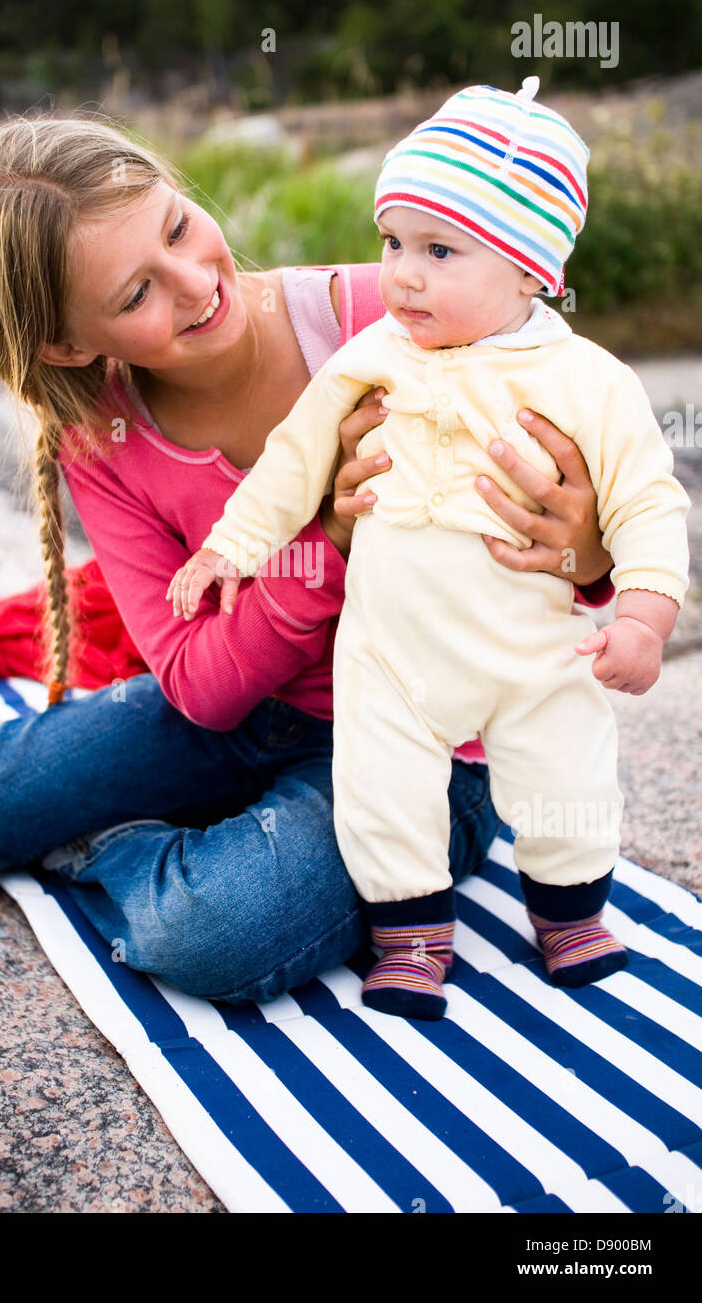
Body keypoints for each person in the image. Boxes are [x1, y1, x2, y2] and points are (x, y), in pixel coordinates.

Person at [0, 114, 617, 1005]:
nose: (196, 281)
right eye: (135, 295)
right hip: (232, 717)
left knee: (218, 930)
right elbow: (200, 691)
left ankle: (103, 839)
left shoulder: (393, 317)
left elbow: (585, 506)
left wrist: (586, 545)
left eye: (176, 227)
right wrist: (324, 542)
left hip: (430, 743)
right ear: (66, 343)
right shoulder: (104, 437)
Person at [168, 79, 690, 1019]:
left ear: (531, 270)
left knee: (567, 770)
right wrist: (230, 548)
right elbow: (295, 458)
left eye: (438, 251)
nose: (401, 273)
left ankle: (570, 914)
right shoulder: (372, 356)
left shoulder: (588, 380)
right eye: (392, 243)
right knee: (381, 787)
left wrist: (645, 616)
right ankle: (411, 937)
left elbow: (646, 497)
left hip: (534, 649)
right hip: (393, 652)